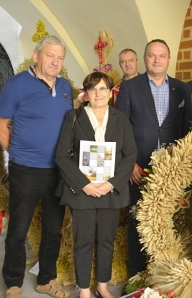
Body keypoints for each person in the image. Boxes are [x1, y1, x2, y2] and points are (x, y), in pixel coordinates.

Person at [0, 35, 73, 298]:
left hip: (58, 171)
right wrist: (17, 152)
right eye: (50, 55)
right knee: (18, 229)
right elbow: (1, 124)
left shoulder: (66, 86)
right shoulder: (16, 85)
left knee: (53, 229)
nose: (55, 62)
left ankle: (46, 280)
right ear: (36, 55)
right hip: (26, 170)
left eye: (60, 57)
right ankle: (14, 283)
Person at [55, 72, 137, 298]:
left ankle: (102, 286)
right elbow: (61, 156)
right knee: (83, 241)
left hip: (111, 191)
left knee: (106, 241)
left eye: (103, 89)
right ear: (86, 93)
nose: (98, 93)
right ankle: (84, 290)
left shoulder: (120, 118)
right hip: (82, 192)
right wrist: (84, 185)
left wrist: (111, 183)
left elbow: (130, 155)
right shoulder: (73, 117)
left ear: (110, 93)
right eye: (93, 89)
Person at [115, 39, 192, 278]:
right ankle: (136, 277)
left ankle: (163, 273)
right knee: (138, 221)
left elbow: (187, 129)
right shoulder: (130, 88)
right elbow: (120, 127)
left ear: (169, 59)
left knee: (170, 221)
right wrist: (129, 165)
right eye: (152, 55)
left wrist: (182, 165)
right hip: (138, 168)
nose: (157, 60)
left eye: (161, 55)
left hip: (170, 170)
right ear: (145, 58)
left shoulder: (182, 88)